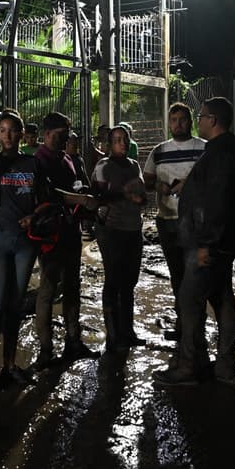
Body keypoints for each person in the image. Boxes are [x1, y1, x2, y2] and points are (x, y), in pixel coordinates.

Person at [154, 96, 235, 388]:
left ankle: (188, 367)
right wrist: (191, 186)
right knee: (222, 299)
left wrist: (206, 243)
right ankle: (225, 368)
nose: (199, 120)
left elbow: (218, 202)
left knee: (190, 301)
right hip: (222, 241)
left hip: (208, 243)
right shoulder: (226, 151)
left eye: (202, 116)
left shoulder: (218, 153)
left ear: (213, 120)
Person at [0, 110, 44, 391]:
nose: (7, 135)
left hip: (24, 241)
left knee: (15, 305)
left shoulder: (32, 163)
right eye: (2, 130)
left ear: (21, 134)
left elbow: (43, 199)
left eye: (12, 130)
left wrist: (34, 216)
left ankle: (10, 364)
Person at [32, 112, 100, 367]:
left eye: (67, 135)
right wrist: (80, 199)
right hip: (50, 234)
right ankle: (46, 350)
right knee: (48, 290)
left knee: (72, 286)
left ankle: (73, 341)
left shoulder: (68, 159)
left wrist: (84, 200)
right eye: (61, 135)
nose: (65, 140)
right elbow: (47, 193)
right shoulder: (38, 161)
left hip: (70, 231)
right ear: (47, 134)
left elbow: (75, 187)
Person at [142, 102, 206, 341]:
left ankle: (196, 327)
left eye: (182, 119)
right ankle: (183, 325)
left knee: (196, 276)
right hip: (167, 221)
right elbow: (147, 181)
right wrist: (158, 185)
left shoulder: (204, 148)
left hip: (195, 222)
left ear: (191, 121)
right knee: (177, 274)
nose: (178, 124)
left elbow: (213, 179)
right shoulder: (159, 151)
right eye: (174, 120)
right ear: (169, 123)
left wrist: (189, 183)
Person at [92, 126, 147, 352]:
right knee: (113, 279)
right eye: (117, 140)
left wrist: (139, 198)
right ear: (109, 144)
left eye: (125, 139)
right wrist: (123, 194)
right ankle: (113, 334)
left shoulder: (134, 166)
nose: (122, 143)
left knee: (130, 282)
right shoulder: (104, 166)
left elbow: (142, 195)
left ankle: (128, 331)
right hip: (112, 229)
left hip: (133, 228)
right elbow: (96, 196)